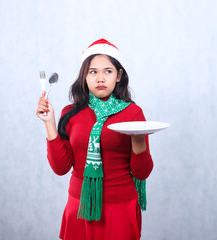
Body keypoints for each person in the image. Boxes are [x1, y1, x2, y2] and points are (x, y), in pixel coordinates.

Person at [36, 38, 153, 240]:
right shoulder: (70, 113)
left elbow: (142, 173)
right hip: (79, 207)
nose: (100, 78)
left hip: (120, 208)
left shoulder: (133, 113)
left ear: (119, 76)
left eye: (108, 71)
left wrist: (138, 137)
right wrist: (49, 123)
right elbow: (61, 168)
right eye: (93, 72)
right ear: (84, 77)